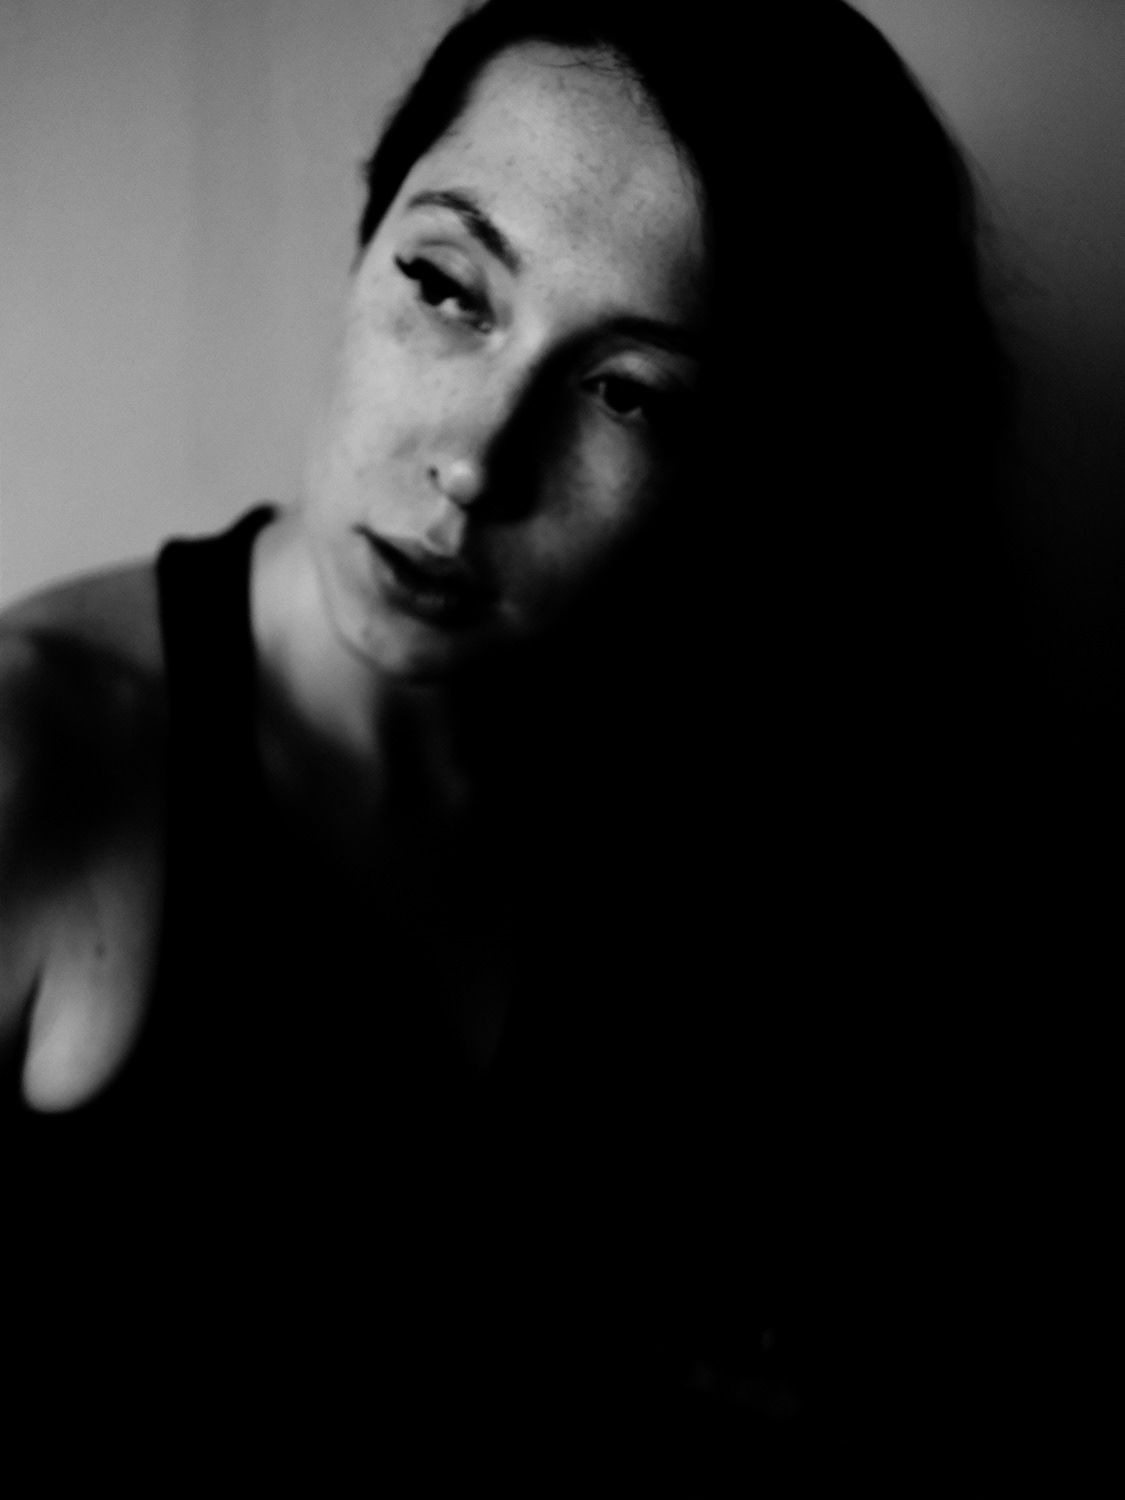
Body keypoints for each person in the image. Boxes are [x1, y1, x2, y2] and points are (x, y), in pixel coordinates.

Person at [1, 0, 1018, 1470]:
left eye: (626, 392)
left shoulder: (736, 807)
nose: (476, 460)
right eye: (447, 286)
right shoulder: (41, 756)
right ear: (364, 245)